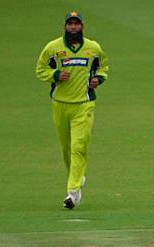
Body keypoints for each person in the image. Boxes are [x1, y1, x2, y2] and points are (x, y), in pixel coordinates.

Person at [35, 11, 109, 209]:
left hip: (84, 104)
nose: (73, 27)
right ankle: (77, 176)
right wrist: (56, 74)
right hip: (60, 103)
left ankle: (73, 192)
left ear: (82, 27)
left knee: (79, 146)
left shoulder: (93, 48)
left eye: (77, 24)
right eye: (70, 24)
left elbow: (103, 67)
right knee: (67, 149)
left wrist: (98, 79)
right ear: (65, 27)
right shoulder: (53, 48)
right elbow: (40, 69)